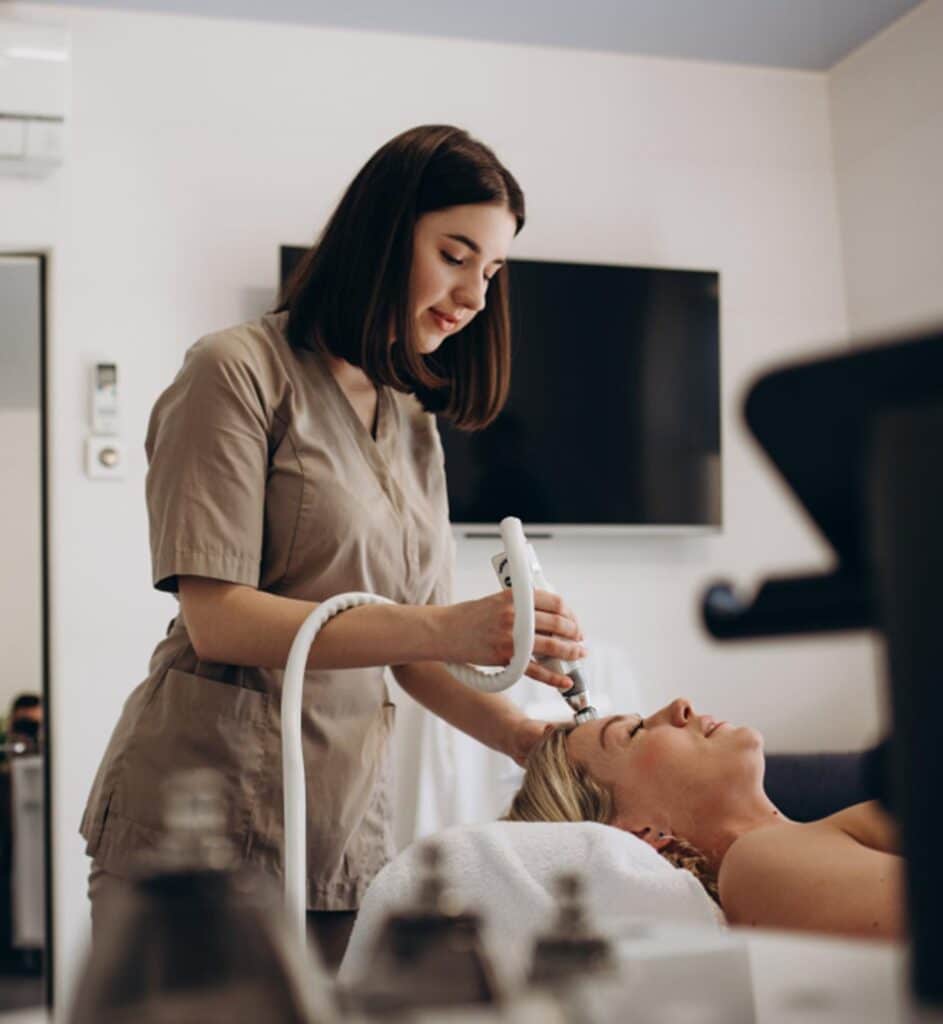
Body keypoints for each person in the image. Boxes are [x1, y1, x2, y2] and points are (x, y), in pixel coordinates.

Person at [80, 125, 585, 970]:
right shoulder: (235, 371)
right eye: (455, 254)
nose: (472, 295)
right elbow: (219, 621)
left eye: (491, 272)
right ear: (384, 234)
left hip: (338, 829)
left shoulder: (411, 420)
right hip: (198, 814)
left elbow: (408, 647)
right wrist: (451, 628)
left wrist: (521, 738)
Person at [505, 698, 903, 940]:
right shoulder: (755, 866)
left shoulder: (825, 829)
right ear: (640, 832)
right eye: (635, 732)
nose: (681, 705)